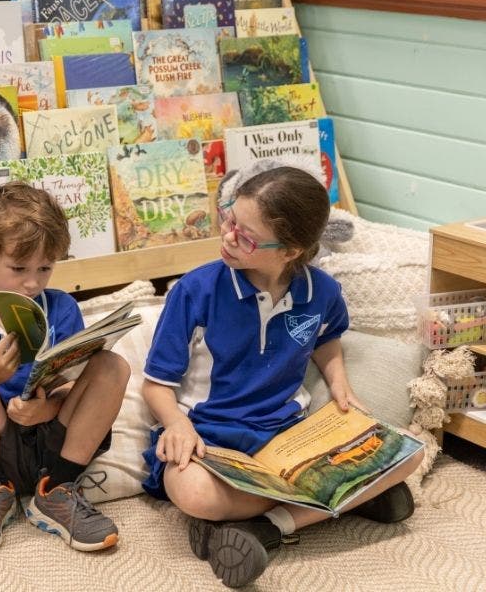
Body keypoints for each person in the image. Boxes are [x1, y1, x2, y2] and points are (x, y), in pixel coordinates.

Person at [140, 166, 424, 588]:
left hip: (288, 436)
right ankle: (338, 501)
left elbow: (327, 339)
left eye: (247, 235)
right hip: (208, 438)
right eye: (229, 219)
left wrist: (340, 384)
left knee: (408, 452)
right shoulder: (194, 291)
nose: (229, 236)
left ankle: (266, 527)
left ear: (290, 251)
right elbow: (155, 383)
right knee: (194, 492)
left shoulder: (322, 292)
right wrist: (177, 424)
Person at [0, 181, 130, 554]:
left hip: (55, 445)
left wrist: (46, 409)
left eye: (45, 268)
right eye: (18, 267)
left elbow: (73, 382)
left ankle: (57, 491)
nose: (33, 282)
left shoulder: (62, 307)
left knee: (112, 366)